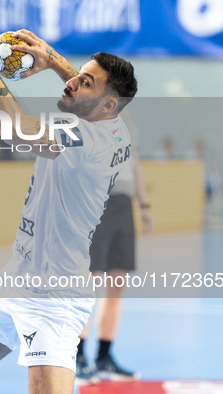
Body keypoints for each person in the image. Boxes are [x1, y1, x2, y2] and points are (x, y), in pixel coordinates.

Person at [0, 5, 137, 394]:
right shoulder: (117, 128)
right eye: (80, 76)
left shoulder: (83, 138)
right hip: (16, 273)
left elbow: (15, 130)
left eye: (86, 83)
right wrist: (52, 59)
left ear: (105, 105)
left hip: (54, 297)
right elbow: (93, 91)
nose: (72, 84)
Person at [75, 123, 153, 383]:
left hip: (123, 203)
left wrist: (144, 204)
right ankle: (77, 357)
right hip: (96, 200)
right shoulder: (88, 113)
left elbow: (135, 163)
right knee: (90, 282)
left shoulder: (126, 119)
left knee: (117, 282)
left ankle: (104, 356)